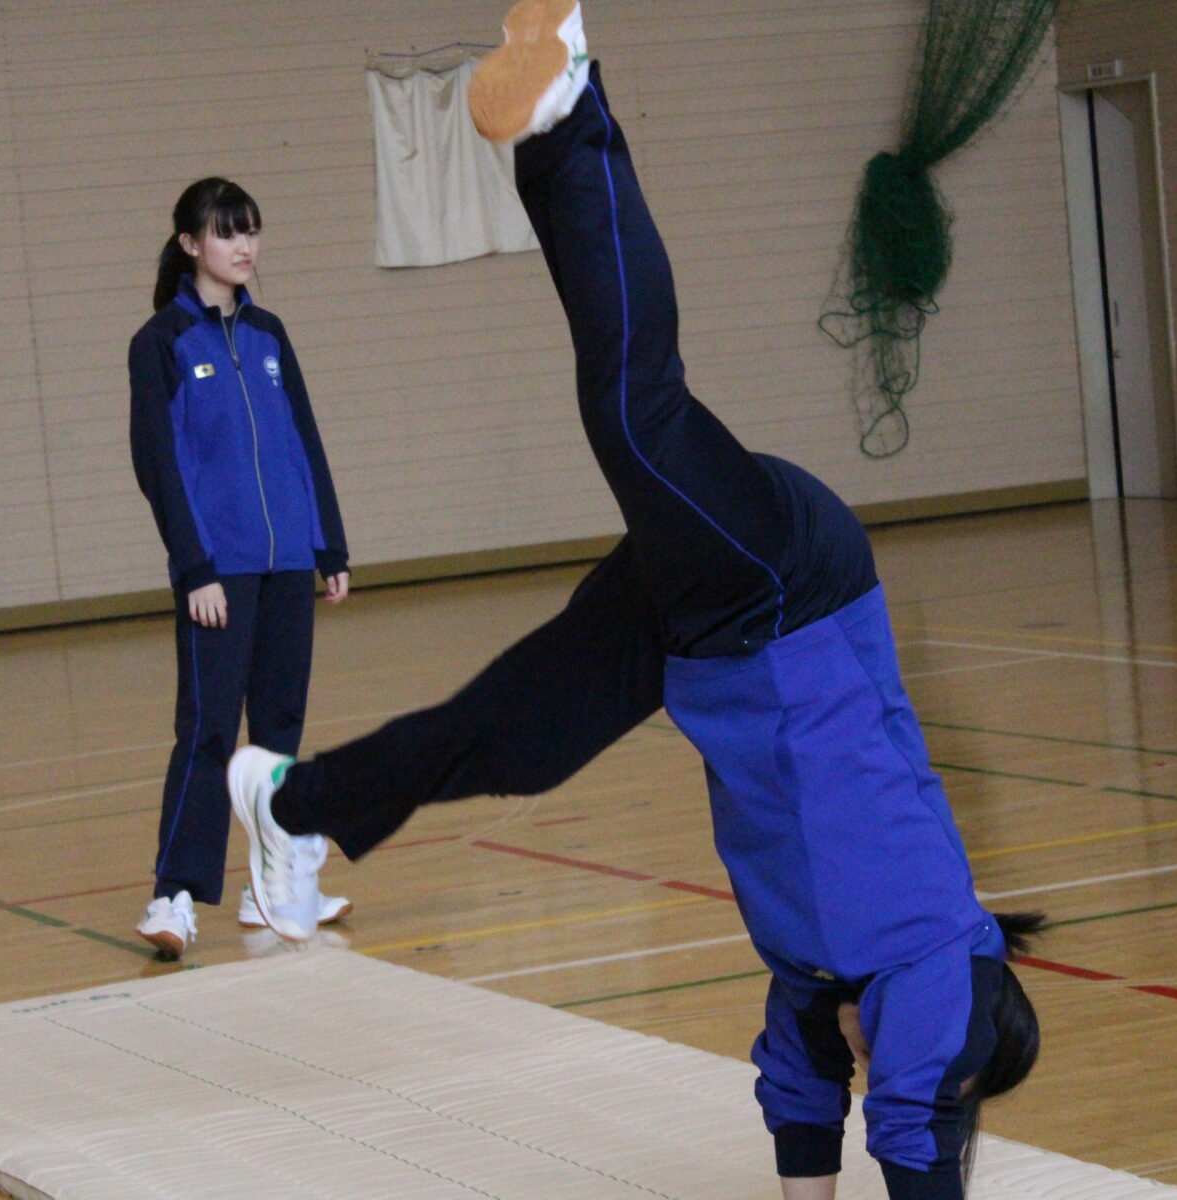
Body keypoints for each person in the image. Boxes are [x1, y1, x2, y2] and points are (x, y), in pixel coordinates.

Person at [228, 5, 1043, 1197]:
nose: (868, 1075)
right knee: (636, 413)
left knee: (519, 739)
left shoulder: (820, 976)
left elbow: (801, 1103)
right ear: (968, 1059)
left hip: (703, 646)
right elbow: (915, 1134)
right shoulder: (935, 968)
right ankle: (572, 112)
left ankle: (294, 803)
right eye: (900, 1076)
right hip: (792, 590)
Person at [127, 177, 355, 958]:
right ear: (191, 244)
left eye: (251, 232)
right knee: (210, 733)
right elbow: (159, 467)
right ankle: (173, 897)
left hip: (288, 560)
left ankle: (278, 890)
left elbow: (306, 441)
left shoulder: (270, 335)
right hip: (217, 572)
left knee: (280, 730)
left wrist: (328, 545)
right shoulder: (160, 344)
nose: (245, 247)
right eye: (227, 234)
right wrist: (195, 569)